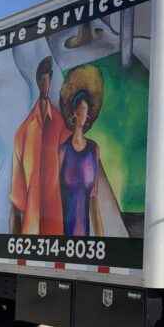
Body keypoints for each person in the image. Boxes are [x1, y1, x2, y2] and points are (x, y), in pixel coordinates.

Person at [10, 56, 71, 235]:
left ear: (51, 79)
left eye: (48, 78)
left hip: (56, 219)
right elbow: (17, 192)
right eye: (42, 79)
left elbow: (69, 161)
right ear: (37, 81)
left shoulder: (60, 123)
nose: (45, 83)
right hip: (32, 223)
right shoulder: (24, 130)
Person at [58, 65, 104, 237]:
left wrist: (101, 239)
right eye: (82, 110)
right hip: (62, 235)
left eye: (87, 111)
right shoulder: (63, 150)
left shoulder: (94, 150)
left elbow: (94, 200)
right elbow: (54, 198)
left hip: (83, 237)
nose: (86, 115)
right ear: (75, 113)